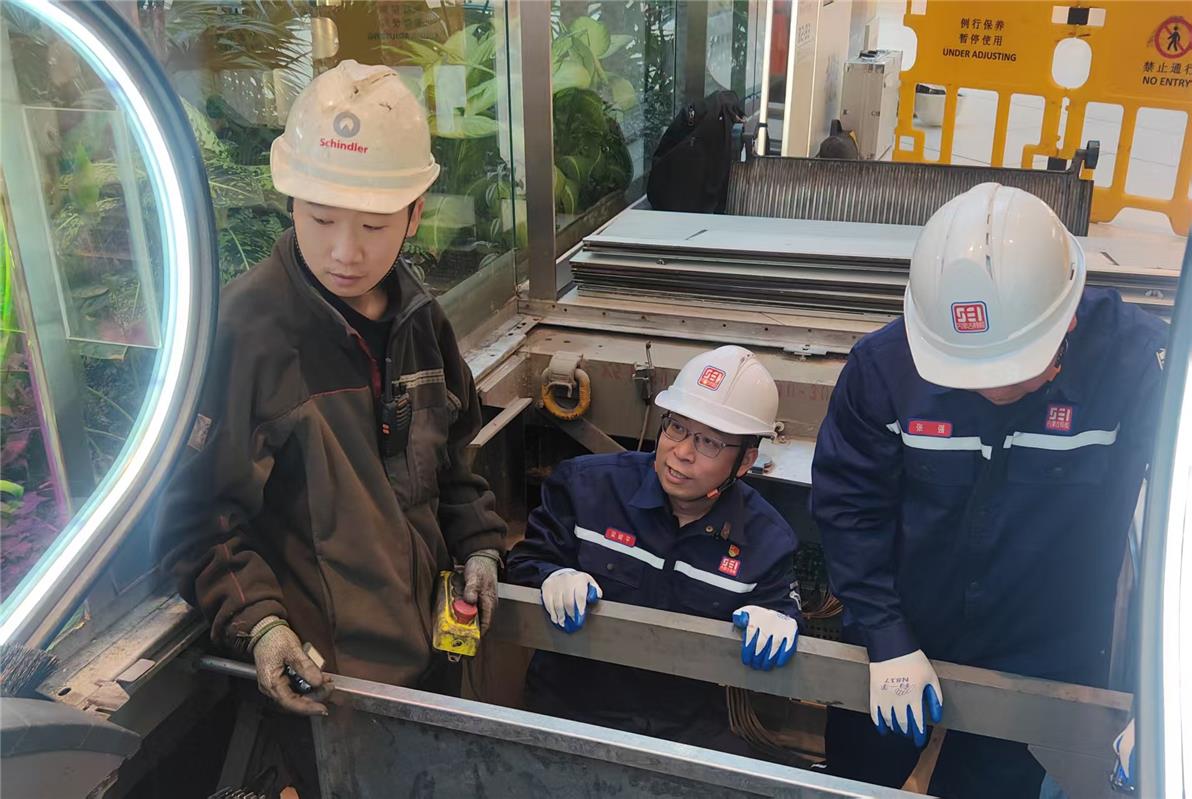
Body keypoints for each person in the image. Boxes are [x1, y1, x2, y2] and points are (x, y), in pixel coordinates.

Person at [154, 61, 505, 794]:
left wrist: (478, 544)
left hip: (434, 660)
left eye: (374, 225)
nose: (347, 251)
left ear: (415, 212)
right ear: (289, 199)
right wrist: (260, 624)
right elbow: (196, 518)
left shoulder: (420, 317)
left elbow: (454, 461)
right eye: (319, 218)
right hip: (328, 694)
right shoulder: (246, 332)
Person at [810, 182, 1167, 798]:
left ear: (1066, 321)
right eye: (968, 374)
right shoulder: (886, 368)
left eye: (1012, 370)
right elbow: (849, 504)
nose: (991, 391)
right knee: (856, 778)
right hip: (901, 629)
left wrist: (1156, 693)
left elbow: (1175, 539)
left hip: (1043, 653)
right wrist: (884, 634)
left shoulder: (1138, 368)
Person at [506, 345, 802, 754]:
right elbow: (525, 562)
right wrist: (551, 575)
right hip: (567, 713)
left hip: (684, 730)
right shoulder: (587, 489)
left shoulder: (766, 542)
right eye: (676, 427)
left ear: (745, 461)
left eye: (708, 442)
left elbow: (781, 612)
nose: (682, 452)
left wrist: (780, 619)